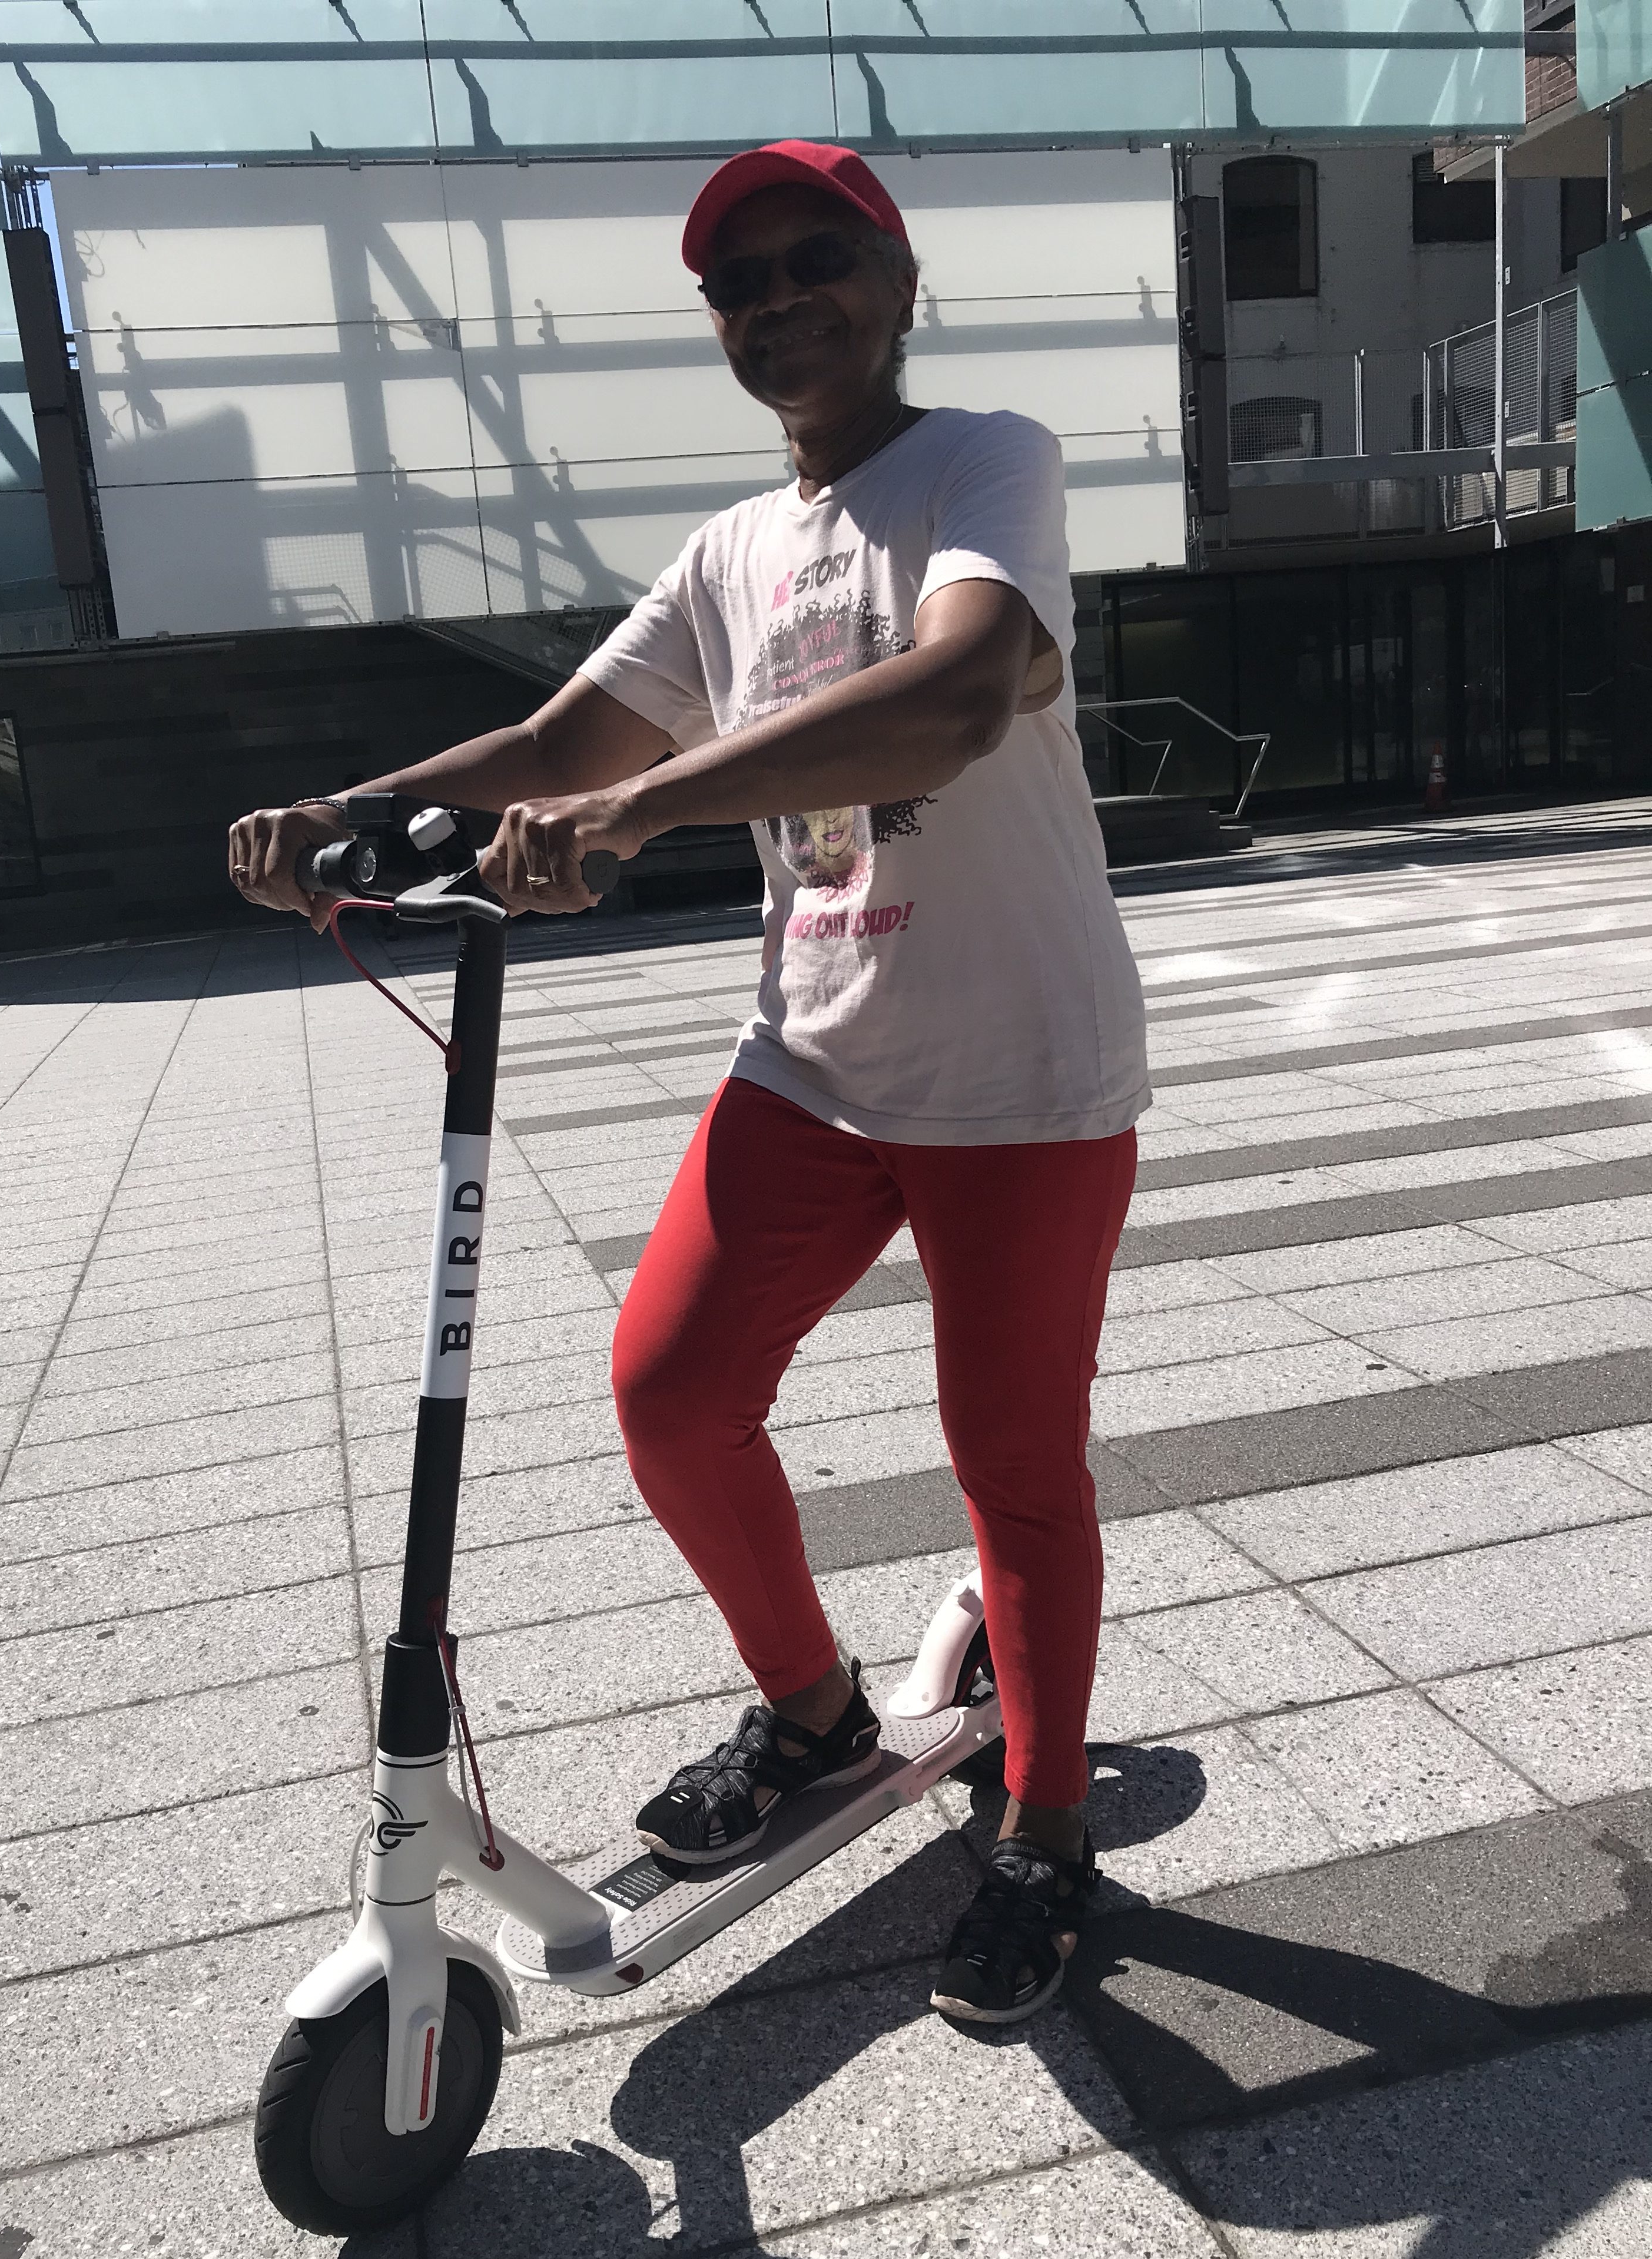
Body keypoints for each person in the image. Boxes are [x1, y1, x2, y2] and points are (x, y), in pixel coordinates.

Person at [228, 139, 1149, 2026]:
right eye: (740, 283)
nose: (779, 298)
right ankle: (817, 1718)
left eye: (819, 259)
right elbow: (574, 731)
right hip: (813, 1056)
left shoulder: (986, 461)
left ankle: (1045, 1828)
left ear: (897, 285)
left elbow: (966, 692)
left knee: (1012, 1461)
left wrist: (638, 808)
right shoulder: (733, 549)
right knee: (669, 1389)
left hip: (1023, 1069)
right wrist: (367, 806)